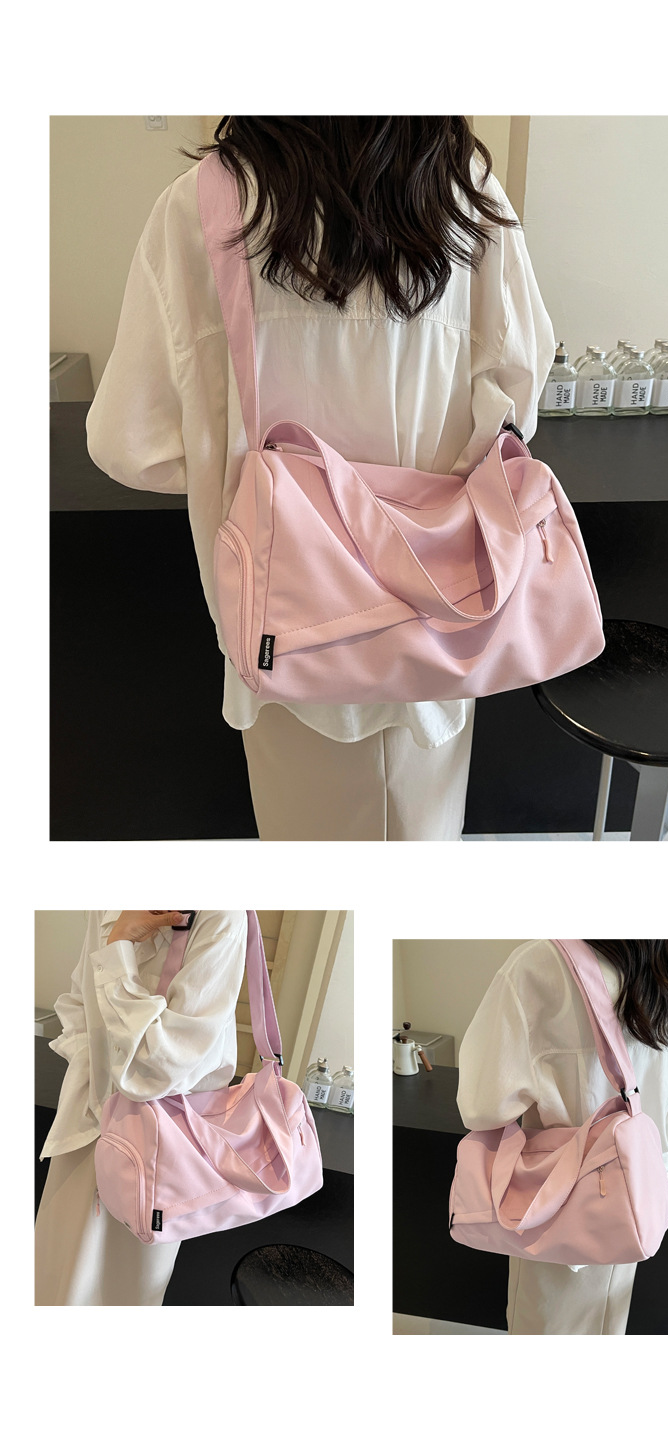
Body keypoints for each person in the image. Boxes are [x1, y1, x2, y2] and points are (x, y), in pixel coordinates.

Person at [86, 116, 555, 841]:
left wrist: (236, 468)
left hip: (283, 634)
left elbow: (129, 443)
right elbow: (518, 396)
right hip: (438, 619)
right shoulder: (463, 193)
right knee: (423, 837)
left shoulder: (204, 204)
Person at [457, 939, 668, 1335]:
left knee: (547, 1328)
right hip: (641, 1196)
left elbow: (482, 1105)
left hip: (557, 1200)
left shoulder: (542, 964)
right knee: (608, 1324)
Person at [35, 910, 248, 1306]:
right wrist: (95, 1071)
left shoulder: (220, 913)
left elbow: (163, 1063)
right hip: (87, 1120)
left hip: (159, 1145)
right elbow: (80, 1002)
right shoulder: (107, 902)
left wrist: (119, 946)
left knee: (122, 1286)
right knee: (54, 1276)